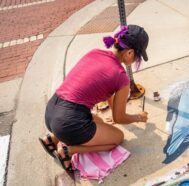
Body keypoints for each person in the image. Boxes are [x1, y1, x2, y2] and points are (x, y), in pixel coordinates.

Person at [38, 25, 149, 171]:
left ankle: (51, 139)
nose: (136, 60)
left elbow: (109, 94)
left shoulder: (95, 53)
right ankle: (68, 151)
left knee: (99, 121)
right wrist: (138, 117)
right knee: (117, 138)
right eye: (138, 56)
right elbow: (119, 119)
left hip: (51, 111)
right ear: (129, 53)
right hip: (69, 123)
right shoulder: (121, 77)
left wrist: (113, 114)